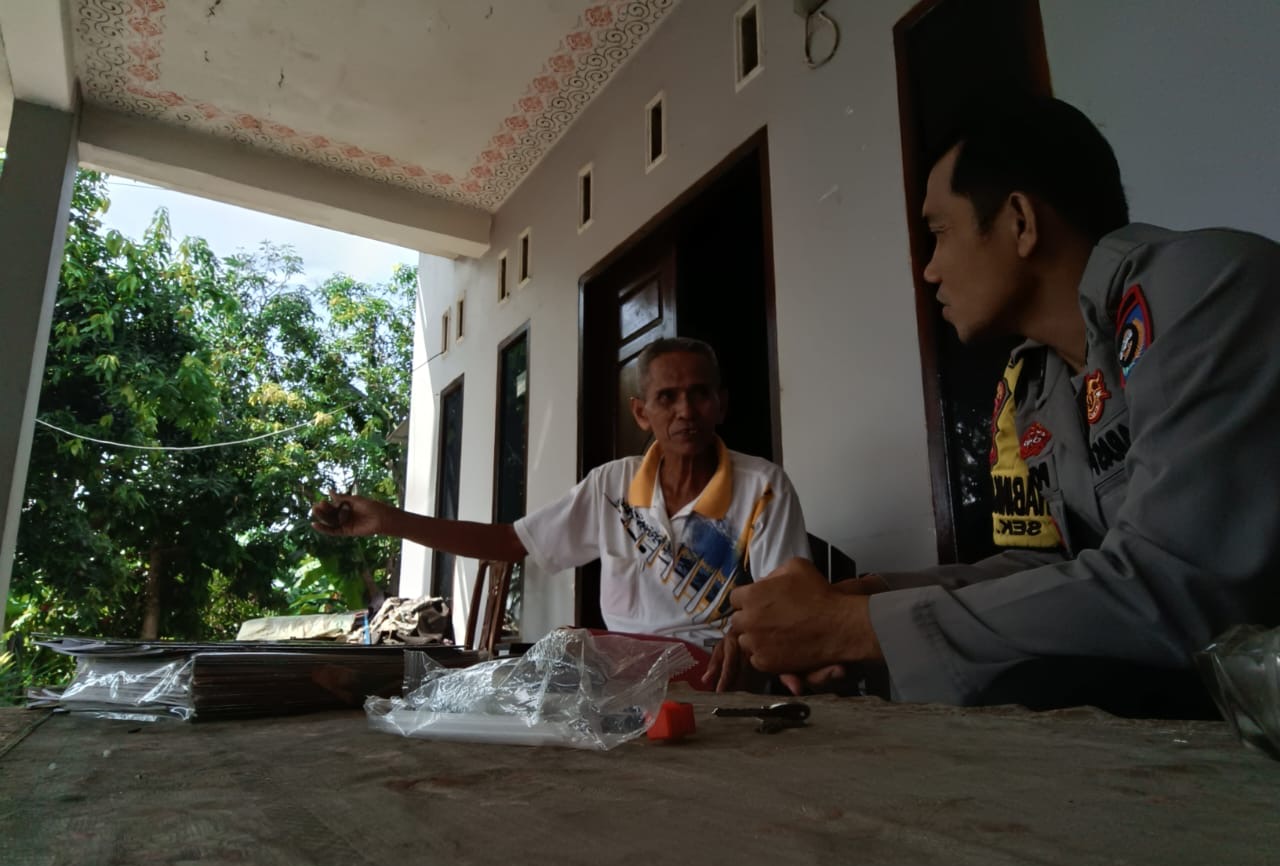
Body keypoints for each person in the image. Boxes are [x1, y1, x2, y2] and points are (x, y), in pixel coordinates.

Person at [724, 96, 1280, 710]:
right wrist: (865, 598)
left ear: (1020, 221)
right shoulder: (1038, 382)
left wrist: (852, 628)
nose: (929, 270)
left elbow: (1177, 587)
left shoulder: (1199, 288)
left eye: (939, 233)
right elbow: (1062, 569)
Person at [313, 337, 811, 687]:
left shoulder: (763, 486)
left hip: (714, 667)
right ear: (642, 413)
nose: (685, 410)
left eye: (699, 394)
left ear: (721, 404)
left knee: (555, 662)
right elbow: (511, 542)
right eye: (667, 397)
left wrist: (745, 637)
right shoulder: (611, 485)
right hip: (621, 667)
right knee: (549, 655)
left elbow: (789, 600)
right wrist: (390, 521)